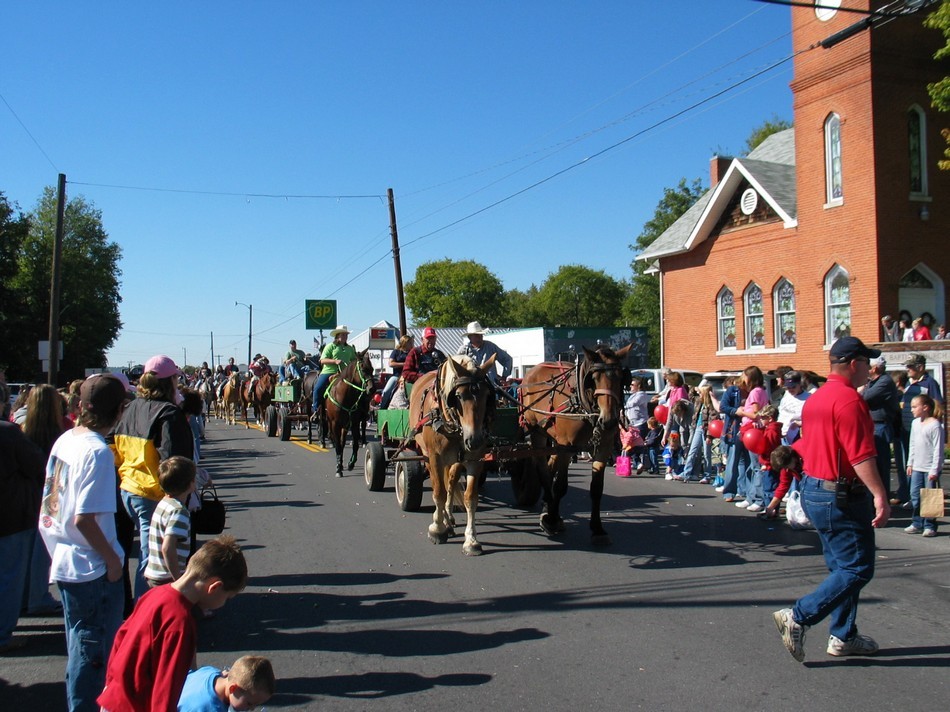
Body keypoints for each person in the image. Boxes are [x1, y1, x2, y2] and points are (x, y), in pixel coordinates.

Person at [772, 336, 890, 663]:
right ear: (854, 364)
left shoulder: (818, 399)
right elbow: (861, 455)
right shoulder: (850, 401)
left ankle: (843, 635)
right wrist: (881, 494)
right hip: (841, 494)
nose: (870, 369)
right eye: (866, 363)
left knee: (841, 567)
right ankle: (799, 615)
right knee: (857, 568)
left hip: (816, 487)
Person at [37, 374, 128, 708]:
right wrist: (114, 561)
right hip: (92, 568)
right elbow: (85, 518)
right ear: (119, 409)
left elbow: (53, 504)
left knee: (79, 646)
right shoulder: (97, 453)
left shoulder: (66, 440)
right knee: (94, 655)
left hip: (64, 559)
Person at [98, 536, 248, 712]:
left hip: (115, 696)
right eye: (227, 598)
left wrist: (109, 684)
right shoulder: (180, 624)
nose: (223, 604)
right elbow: (166, 689)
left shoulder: (154, 595)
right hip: (137, 705)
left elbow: (120, 640)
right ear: (214, 587)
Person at [113, 354, 194, 600]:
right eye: (175, 379)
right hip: (153, 493)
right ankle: (146, 611)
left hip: (127, 488)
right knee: (152, 559)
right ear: (169, 381)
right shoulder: (168, 413)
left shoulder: (131, 408)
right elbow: (173, 460)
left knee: (135, 553)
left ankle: (134, 606)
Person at [0, 381, 47, 655]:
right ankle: (4, 634)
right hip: (10, 514)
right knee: (9, 576)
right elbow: (37, 465)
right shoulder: (9, 433)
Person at [20, 384, 70, 617]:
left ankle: (25, 596)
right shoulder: (59, 436)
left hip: (25, 496)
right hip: (49, 496)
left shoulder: (21, 429)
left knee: (25, 553)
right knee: (43, 551)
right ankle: (38, 597)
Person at [896, 353, 943, 507]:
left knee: (925, 469)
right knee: (909, 466)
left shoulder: (930, 384)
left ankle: (929, 510)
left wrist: (932, 424)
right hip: (909, 430)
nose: (907, 369)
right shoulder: (910, 384)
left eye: (910, 366)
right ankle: (912, 498)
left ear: (920, 367)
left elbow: (938, 406)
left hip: (924, 431)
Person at [145, 457, 197, 586]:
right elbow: (168, 547)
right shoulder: (179, 511)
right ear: (191, 484)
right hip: (167, 576)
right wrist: (178, 579)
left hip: (154, 571)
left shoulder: (164, 503)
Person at [860, 355, 900, 501]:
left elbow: (864, 398)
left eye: (867, 366)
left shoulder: (884, 382)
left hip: (880, 427)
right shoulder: (871, 382)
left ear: (875, 368)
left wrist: (862, 391)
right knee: (872, 464)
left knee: (881, 465)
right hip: (870, 426)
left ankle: (882, 500)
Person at [178, 654, 276, 712]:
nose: (252, 709)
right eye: (249, 703)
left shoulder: (211, 672)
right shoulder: (211, 708)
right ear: (232, 688)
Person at [904, 393, 943, 537]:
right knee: (915, 496)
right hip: (917, 467)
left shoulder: (935, 425)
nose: (912, 410)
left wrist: (935, 469)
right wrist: (910, 463)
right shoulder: (915, 424)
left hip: (929, 468)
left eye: (915, 407)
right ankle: (917, 522)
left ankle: (930, 525)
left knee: (929, 497)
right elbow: (912, 444)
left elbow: (938, 449)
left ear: (925, 407)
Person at [310, 326, 357, 419]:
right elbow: (322, 360)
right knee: (318, 389)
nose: (345, 336)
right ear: (337, 336)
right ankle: (315, 410)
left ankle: (359, 411)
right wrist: (334, 361)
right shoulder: (330, 346)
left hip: (345, 374)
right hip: (329, 372)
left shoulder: (350, 349)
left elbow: (354, 361)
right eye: (343, 334)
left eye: (346, 335)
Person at [744, 404, 783, 513]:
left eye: (763, 418)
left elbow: (769, 449)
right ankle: (770, 509)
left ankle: (770, 510)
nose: (761, 420)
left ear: (770, 418)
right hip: (772, 464)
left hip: (770, 465)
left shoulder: (771, 432)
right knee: (770, 487)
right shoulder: (772, 429)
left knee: (769, 488)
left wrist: (766, 463)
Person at [457, 321, 513, 386]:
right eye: (476, 335)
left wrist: (504, 377)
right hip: (471, 388)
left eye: (481, 335)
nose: (480, 337)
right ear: (470, 337)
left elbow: (507, 359)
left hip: (491, 387)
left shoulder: (490, 347)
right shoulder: (463, 351)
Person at [763, 444, 804, 519]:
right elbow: (784, 485)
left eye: (787, 467)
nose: (787, 470)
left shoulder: (804, 453)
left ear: (793, 459)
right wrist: (771, 507)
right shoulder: (786, 465)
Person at [379, 334, 414, 410]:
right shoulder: (396, 352)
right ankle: (382, 408)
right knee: (386, 390)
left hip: (408, 377)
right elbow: (391, 363)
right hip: (397, 376)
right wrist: (404, 364)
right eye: (409, 343)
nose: (411, 344)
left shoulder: (412, 353)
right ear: (405, 343)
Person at [624, 377, 650, 473]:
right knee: (631, 445)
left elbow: (633, 404)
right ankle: (638, 463)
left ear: (638, 386)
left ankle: (642, 463)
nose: (630, 387)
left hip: (640, 423)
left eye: (632, 385)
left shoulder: (642, 395)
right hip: (632, 424)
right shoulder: (632, 395)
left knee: (636, 445)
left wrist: (623, 406)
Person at [777, 370, 810, 445]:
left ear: (800, 384)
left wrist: (799, 424)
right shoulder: (786, 396)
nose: (791, 389)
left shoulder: (808, 398)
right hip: (783, 435)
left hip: (797, 435)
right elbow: (781, 413)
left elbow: (812, 419)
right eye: (788, 387)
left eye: (793, 387)